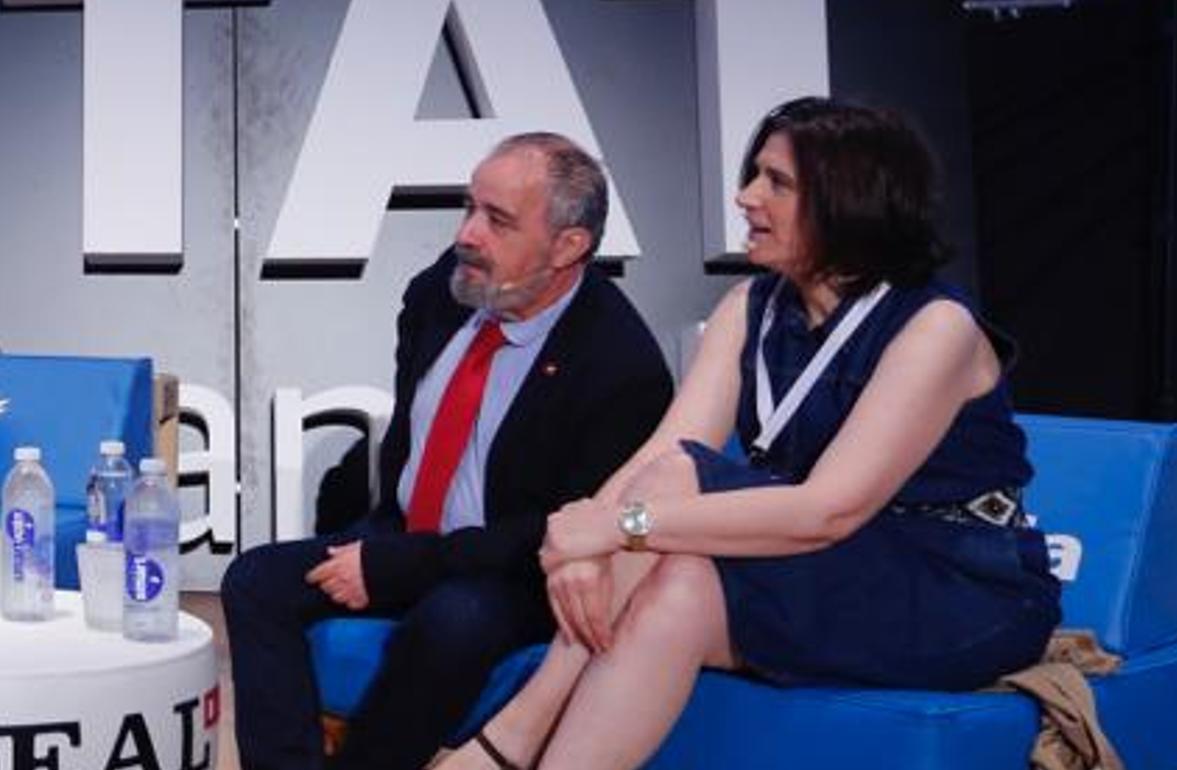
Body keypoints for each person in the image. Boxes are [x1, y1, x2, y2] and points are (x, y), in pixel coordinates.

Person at [434, 97, 1062, 770]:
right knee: (681, 573)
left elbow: (828, 511)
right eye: (755, 175)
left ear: (847, 200)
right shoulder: (748, 307)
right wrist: (585, 542)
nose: (746, 196)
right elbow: (666, 450)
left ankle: (508, 741)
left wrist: (616, 529)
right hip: (826, 563)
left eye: (777, 182)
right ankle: (521, 745)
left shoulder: (935, 327)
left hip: (952, 582)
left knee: (675, 513)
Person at [221, 132, 673, 770]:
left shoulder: (620, 369)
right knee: (256, 581)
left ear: (568, 246)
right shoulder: (448, 287)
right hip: (406, 533)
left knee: (454, 621)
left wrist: (397, 568)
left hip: (519, 571)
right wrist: (389, 548)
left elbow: (556, 530)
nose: (467, 234)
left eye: (498, 220)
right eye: (469, 207)